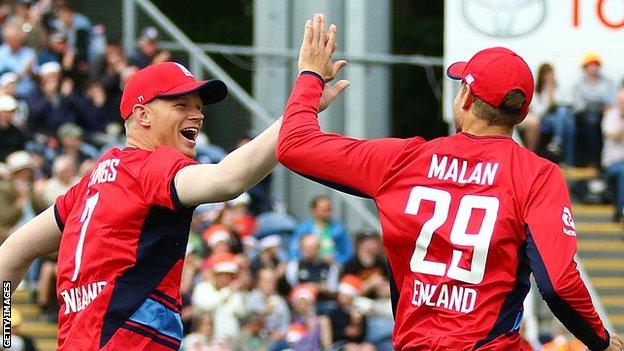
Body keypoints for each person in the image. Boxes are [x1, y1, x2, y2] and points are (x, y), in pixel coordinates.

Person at [276, 14, 622, 350]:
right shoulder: (538, 175)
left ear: (466, 98)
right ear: (522, 115)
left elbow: (294, 145)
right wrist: (600, 341)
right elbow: (558, 284)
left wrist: (310, 78)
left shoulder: (403, 161)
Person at [0, 58, 347, 351]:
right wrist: (301, 102)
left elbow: (13, 250)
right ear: (143, 115)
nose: (197, 115)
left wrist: (4, 335)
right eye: (181, 105)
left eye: (198, 107)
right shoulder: (152, 165)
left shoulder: (94, 180)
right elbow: (228, 179)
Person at [572, 53, 614, 166]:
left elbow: (610, 102)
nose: (594, 68)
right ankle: (593, 160)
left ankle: (604, 160)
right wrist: (598, 103)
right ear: (585, 68)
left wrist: (595, 104)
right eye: (591, 65)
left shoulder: (607, 82)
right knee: (591, 121)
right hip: (584, 116)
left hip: (603, 114)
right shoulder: (579, 85)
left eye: (596, 65)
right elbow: (579, 106)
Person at [289, 195, 353, 265]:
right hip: (306, 267)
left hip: (331, 268)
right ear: (314, 210)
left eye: (329, 209)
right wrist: (304, 258)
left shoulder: (338, 229)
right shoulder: (303, 229)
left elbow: (348, 252)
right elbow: (293, 251)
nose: (327, 213)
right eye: (323, 210)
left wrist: (338, 261)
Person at [531, 63, 575, 165]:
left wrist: (554, 97)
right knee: (566, 120)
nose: (550, 77)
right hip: (545, 120)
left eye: (551, 74)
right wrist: (549, 96)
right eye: (547, 74)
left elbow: (569, 102)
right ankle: (568, 161)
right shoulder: (538, 91)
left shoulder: (560, 88)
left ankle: (557, 142)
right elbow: (538, 111)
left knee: (568, 121)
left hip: (559, 118)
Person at [602, 87, 624, 223]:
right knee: (623, 172)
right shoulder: (610, 115)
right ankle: (620, 209)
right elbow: (613, 136)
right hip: (612, 164)